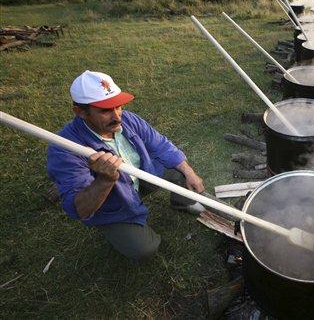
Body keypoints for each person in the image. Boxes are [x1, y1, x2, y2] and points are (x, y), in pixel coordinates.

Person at [47, 70, 206, 261]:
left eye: (118, 106)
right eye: (105, 110)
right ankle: (129, 228)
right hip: (114, 202)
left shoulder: (129, 119)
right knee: (144, 250)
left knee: (177, 166)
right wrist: (105, 180)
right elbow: (80, 210)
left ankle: (182, 201)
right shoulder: (64, 149)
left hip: (142, 176)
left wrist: (189, 172)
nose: (117, 116)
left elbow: (161, 145)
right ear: (80, 112)